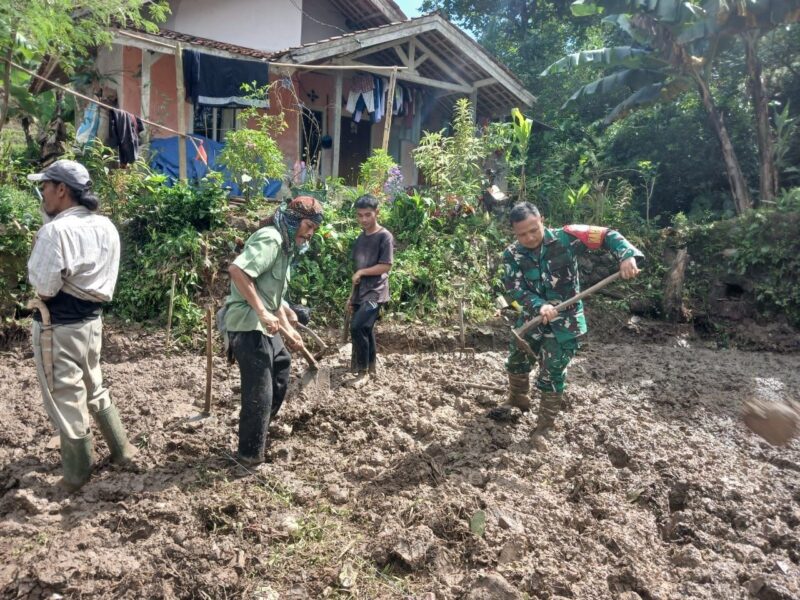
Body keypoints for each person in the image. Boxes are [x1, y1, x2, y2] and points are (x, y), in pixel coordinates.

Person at [492, 202, 643, 449]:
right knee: (517, 360)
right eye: (522, 234)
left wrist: (627, 256)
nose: (529, 237)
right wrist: (539, 305)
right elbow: (515, 289)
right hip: (532, 320)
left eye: (534, 229)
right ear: (514, 233)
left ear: (542, 219)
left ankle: (544, 427)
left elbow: (608, 236)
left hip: (566, 323)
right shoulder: (512, 254)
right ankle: (518, 400)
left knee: (552, 372)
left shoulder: (569, 237)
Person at [26, 159, 136, 492]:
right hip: (91, 324)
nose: (42, 192)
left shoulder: (55, 231)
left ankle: (77, 474)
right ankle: (122, 450)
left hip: (58, 328)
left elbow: (45, 287)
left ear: (62, 190)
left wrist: (47, 230)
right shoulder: (105, 226)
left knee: (66, 396)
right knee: (94, 384)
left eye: (46, 186)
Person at [223, 196, 323, 466]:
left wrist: (289, 327)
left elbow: (273, 299)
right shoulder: (271, 239)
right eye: (307, 225)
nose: (310, 233)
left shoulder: (285, 250)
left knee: (282, 365)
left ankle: (260, 431)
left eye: (314, 228)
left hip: (263, 324)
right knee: (260, 390)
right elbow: (238, 271)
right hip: (247, 324)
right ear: (292, 221)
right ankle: (249, 457)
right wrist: (263, 312)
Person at [347, 194, 394, 388]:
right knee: (366, 328)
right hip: (361, 292)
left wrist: (362, 272)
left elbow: (385, 266)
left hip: (376, 292)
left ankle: (363, 372)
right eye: (360, 215)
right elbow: (357, 271)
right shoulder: (360, 238)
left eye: (368, 215)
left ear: (377, 213)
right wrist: (351, 298)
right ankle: (371, 367)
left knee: (357, 327)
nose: (364, 219)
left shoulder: (385, 236)